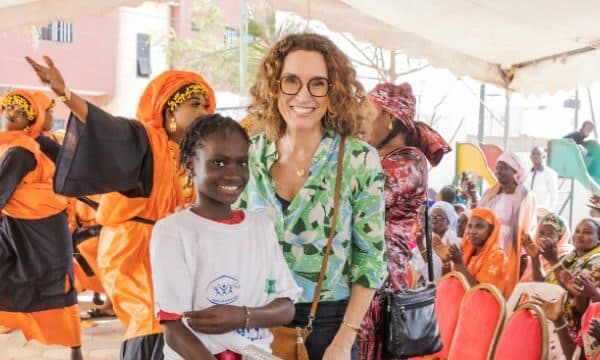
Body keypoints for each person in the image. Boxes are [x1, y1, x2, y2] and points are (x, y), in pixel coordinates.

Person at [26, 55, 215, 359]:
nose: (203, 112)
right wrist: (64, 94)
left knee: (174, 323)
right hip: (133, 250)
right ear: (169, 109)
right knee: (151, 320)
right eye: (194, 104)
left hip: (168, 249)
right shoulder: (143, 139)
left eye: (206, 106)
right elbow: (106, 126)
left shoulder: (189, 156)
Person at [232, 33, 387, 360]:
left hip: (330, 325)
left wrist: (345, 340)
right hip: (257, 321)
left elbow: (369, 260)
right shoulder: (249, 154)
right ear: (274, 86)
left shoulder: (358, 159)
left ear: (335, 92)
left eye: (318, 83)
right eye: (291, 81)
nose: (304, 95)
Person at [151, 114, 301, 359]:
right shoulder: (174, 231)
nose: (233, 174)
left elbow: (286, 307)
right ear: (190, 164)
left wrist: (241, 316)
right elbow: (174, 328)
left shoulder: (260, 227)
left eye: (241, 163)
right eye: (218, 163)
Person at [359, 82, 451, 359]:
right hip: (368, 277)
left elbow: (362, 203)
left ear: (388, 120)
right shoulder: (377, 157)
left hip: (382, 284)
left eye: (367, 113)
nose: (361, 121)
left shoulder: (408, 162)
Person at [0, 89, 82, 360]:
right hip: (22, 225)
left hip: (44, 228)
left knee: (60, 284)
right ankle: (74, 348)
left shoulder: (23, 149)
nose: (10, 116)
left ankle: (75, 348)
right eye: (8, 109)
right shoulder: (17, 145)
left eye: (21, 112)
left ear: (30, 121)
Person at [525, 218, 600, 340]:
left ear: (598, 240)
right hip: (546, 317)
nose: (580, 235)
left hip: (567, 330)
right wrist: (535, 259)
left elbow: (580, 303)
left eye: (587, 232)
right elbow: (544, 286)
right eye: (577, 231)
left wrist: (554, 261)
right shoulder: (568, 257)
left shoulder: (597, 262)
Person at [479, 151, 537, 297]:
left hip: (509, 247)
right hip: (488, 246)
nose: (498, 171)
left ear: (515, 171)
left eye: (504, 167)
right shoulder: (490, 193)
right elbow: (478, 215)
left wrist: (523, 254)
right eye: (497, 167)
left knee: (502, 291)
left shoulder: (524, 195)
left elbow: (527, 227)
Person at [447, 208, 508, 292]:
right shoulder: (467, 249)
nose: (472, 231)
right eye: (470, 226)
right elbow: (454, 282)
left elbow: (481, 294)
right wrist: (445, 262)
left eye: (479, 227)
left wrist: (460, 264)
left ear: (491, 230)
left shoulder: (498, 256)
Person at [412, 201, 460, 283]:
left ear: (448, 221)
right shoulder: (429, 236)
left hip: (441, 286)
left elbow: (433, 271)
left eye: (439, 217)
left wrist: (420, 246)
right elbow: (414, 256)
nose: (434, 221)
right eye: (432, 217)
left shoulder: (452, 240)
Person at [521, 213, 573, 282]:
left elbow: (549, 283)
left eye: (550, 234)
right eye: (542, 233)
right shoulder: (533, 253)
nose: (544, 238)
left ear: (560, 237)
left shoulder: (566, 255)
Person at [525, 146, 558, 216]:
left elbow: (554, 195)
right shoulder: (526, 173)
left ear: (543, 156)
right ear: (530, 156)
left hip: (542, 214)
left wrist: (550, 213)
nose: (535, 156)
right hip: (527, 213)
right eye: (533, 153)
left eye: (538, 154)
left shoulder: (550, 174)